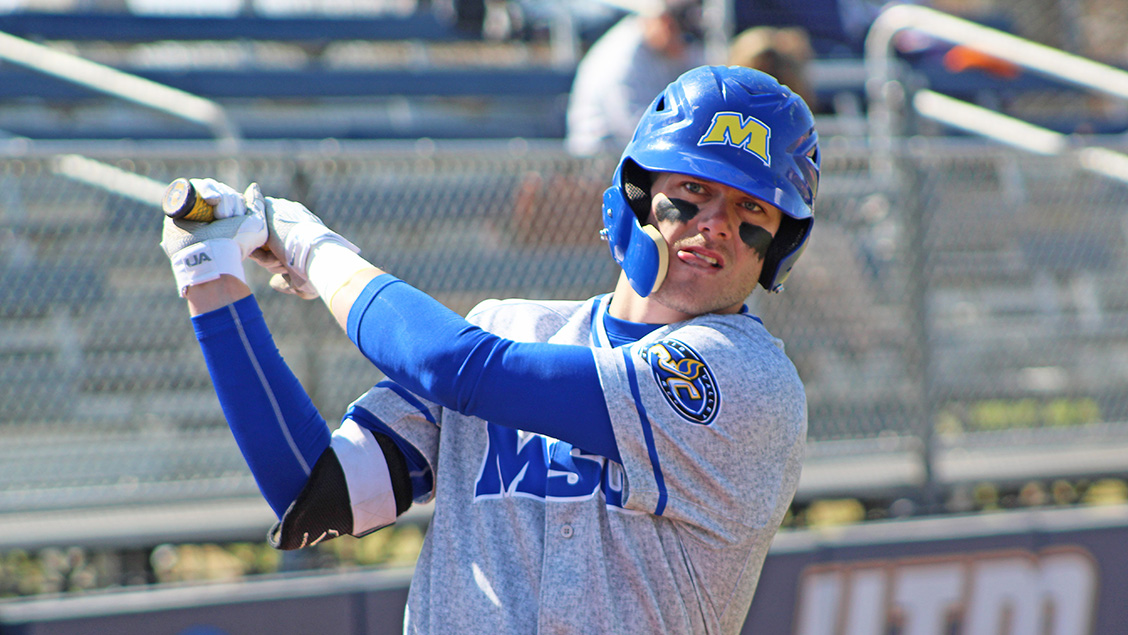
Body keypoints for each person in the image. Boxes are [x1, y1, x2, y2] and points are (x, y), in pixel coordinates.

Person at [160, 65, 820, 634]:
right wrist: (209, 273)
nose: (715, 227)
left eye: (751, 212)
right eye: (695, 191)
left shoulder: (747, 382)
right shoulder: (511, 325)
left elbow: (455, 364)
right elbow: (314, 491)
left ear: (779, 245)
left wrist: (311, 248)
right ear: (637, 196)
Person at [565, 0, 705, 156]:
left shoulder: (663, 49)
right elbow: (630, 127)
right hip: (599, 157)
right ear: (666, 23)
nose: (686, 48)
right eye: (683, 38)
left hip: (638, 151)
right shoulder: (622, 55)